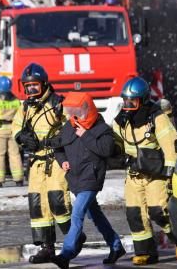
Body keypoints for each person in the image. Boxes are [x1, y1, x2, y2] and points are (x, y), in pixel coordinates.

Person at [112, 77, 177, 265]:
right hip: (134, 174)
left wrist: (171, 173)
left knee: (158, 211)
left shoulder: (156, 117)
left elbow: (171, 145)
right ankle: (145, 252)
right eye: (125, 100)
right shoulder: (121, 120)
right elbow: (116, 143)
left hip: (156, 173)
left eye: (133, 101)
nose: (128, 105)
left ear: (144, 100)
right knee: (135, 214)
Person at [51, 92, 125, 269]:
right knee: (96, 216)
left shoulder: (102, 129)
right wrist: (63, 161)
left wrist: (85, 134)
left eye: (77, 111)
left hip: (91, 179)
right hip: (75, 179)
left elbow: (106, 150)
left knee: (77, 215)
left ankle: (66, 254)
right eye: (71, 111)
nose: (74, 115)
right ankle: (116, 246)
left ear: (87, 109)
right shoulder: (70, 126)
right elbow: (58, 148)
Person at [12, 63, 72, 264]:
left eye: (35, 86)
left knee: (57, 200)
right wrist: (21, 136)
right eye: (27, 87)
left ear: (44, 84)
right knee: (38, 205)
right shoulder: (25, 107)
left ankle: (73, 237)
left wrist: (58, 140)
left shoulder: (57, 103)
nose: (31, 91)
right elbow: (15, 125)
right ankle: (46, 247)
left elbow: (71, 126)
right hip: (36, 162)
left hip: (55, 158)